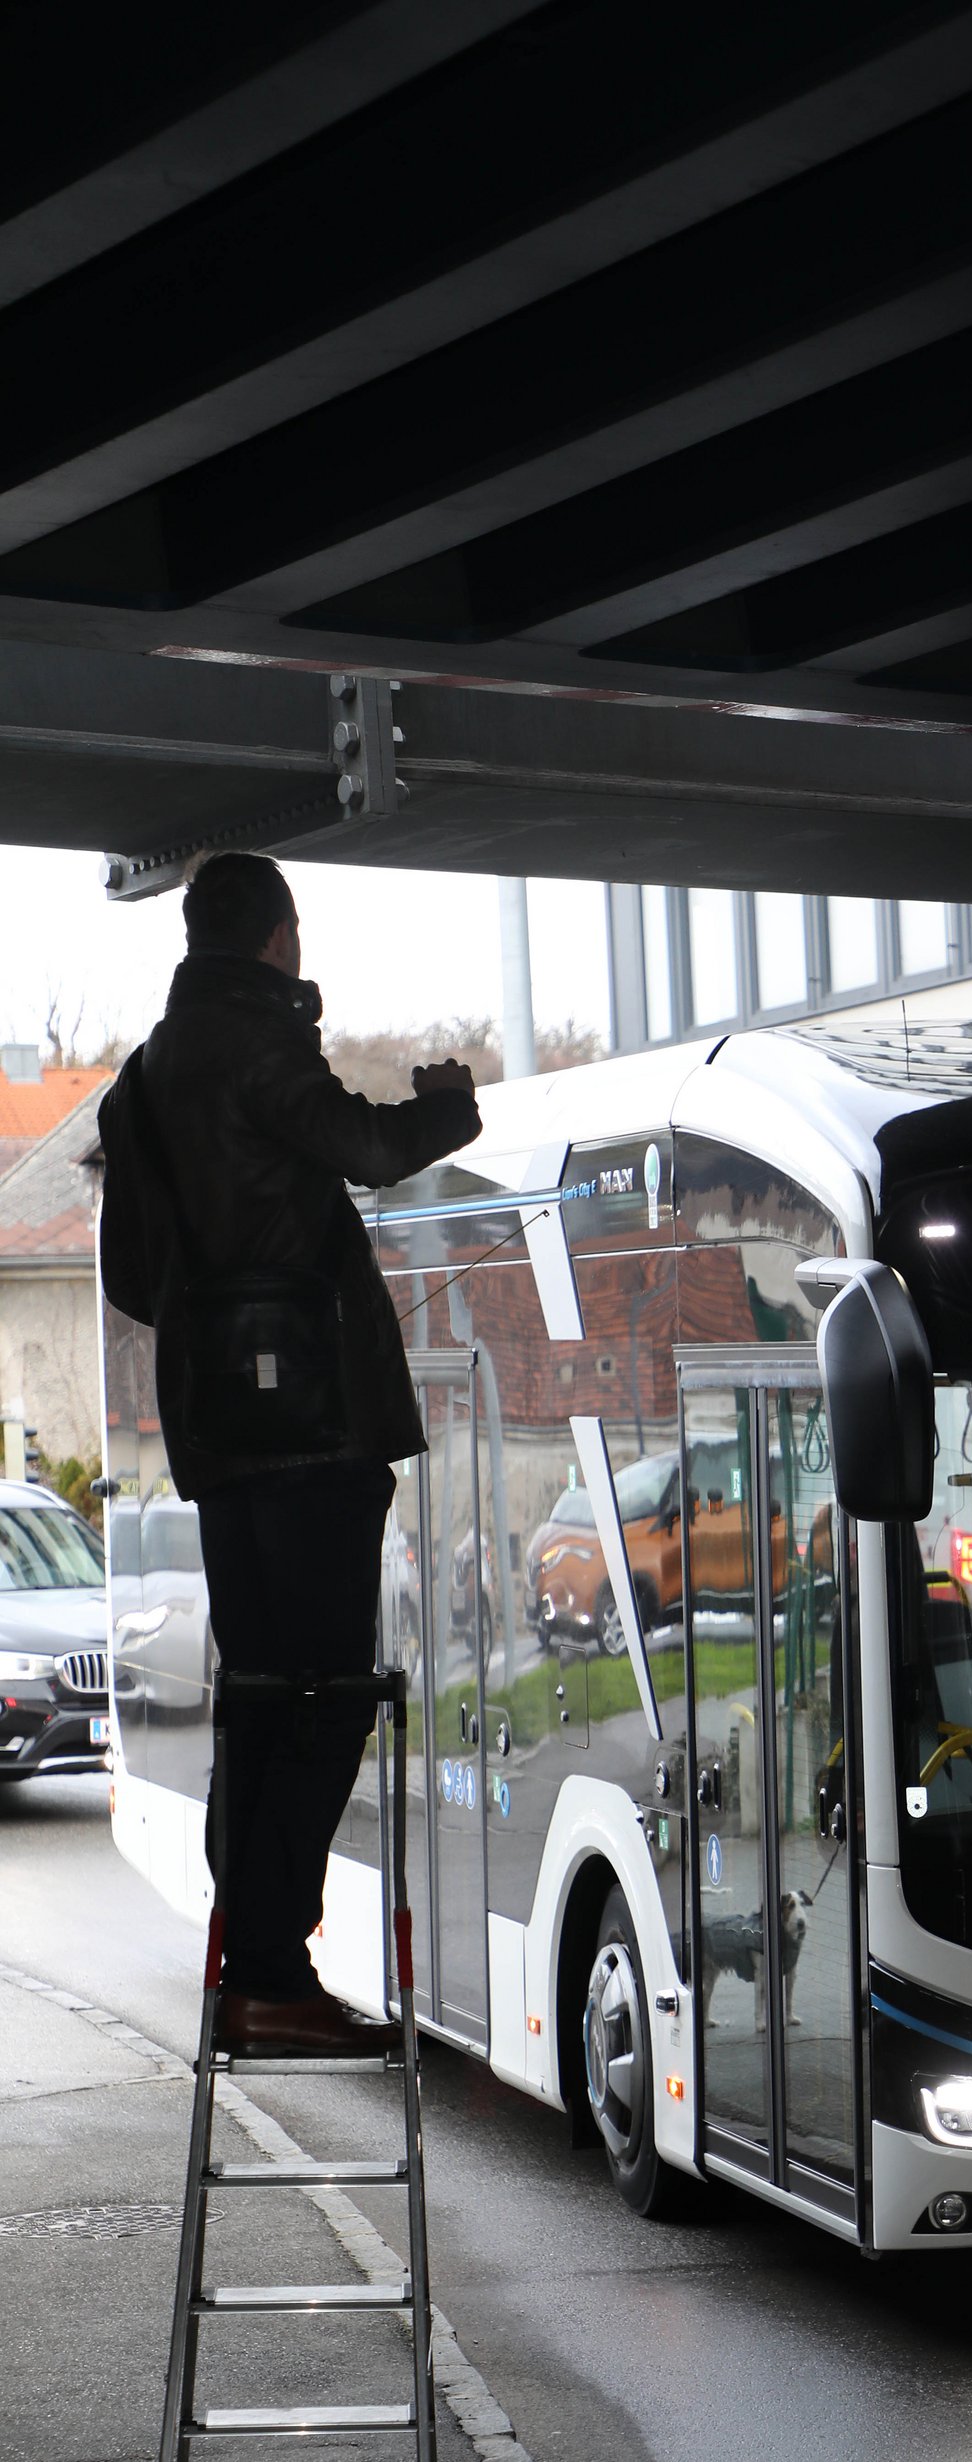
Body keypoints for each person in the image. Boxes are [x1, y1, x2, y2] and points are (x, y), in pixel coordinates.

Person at [98, 854, 481, 2053]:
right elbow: (362, 1149)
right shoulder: (253, 1040)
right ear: (278, 939)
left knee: (262, 1695)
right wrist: (449, 1109)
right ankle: (270, 1965)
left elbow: (127, 1276)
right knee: (329, 1693)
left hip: (221, 1432)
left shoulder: (148, 1075)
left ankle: (251, 1961)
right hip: (311, 1425)